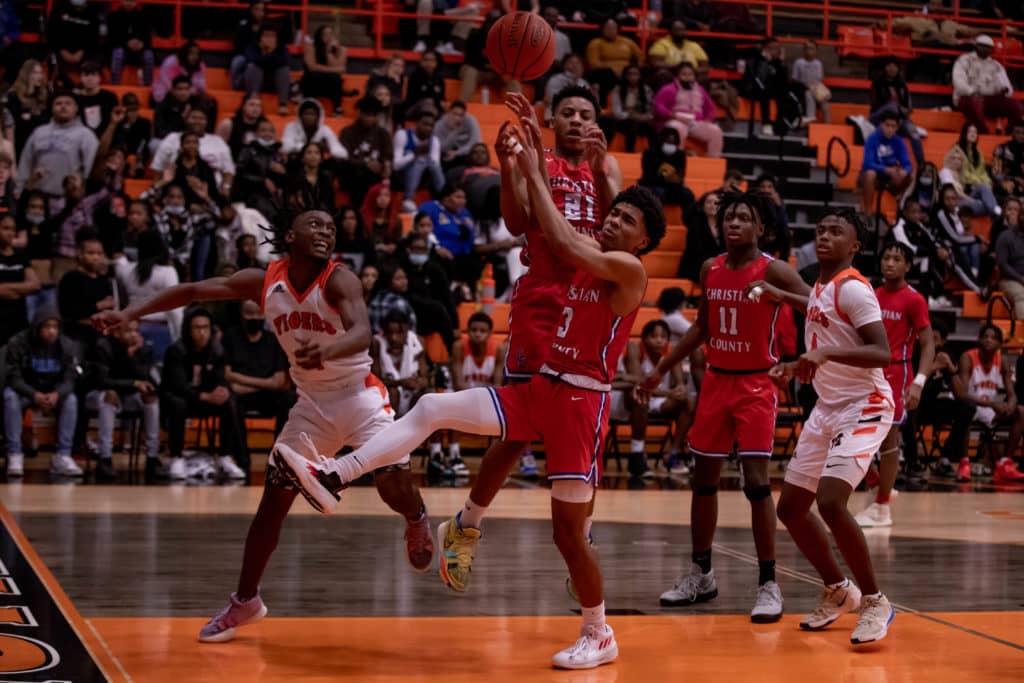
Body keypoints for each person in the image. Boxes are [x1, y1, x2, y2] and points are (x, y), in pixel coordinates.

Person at [274, 165, 664, 673]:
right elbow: (548, 232)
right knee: (432, 407)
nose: (614, 221)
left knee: (567, 535)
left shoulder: (629, 271)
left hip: (580, 405)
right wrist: (522, 168)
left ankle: (598, 630)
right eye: (614, 213)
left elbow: (565, 239)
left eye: (628, 220)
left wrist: (534, 168)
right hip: (542, 388)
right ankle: (335, 475)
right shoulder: (592, 249)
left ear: (644, 241)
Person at [92, 208, 435, 641]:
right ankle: (245, 600)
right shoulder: (264, 281)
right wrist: (130, 313)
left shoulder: (339, 279)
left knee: (393, 488)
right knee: (272, 503)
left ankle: (416, 516)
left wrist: (328, 351)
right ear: (290, 235)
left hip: (360, 396)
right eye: (315, 225)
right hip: (312, 405)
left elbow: (363, 333)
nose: (326, 232)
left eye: (331, 227)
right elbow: (194, 289)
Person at [643, 193, 809, 621]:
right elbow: (702, 327)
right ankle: (702, 574)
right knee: (703, 481)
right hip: (717, 381)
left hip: (756, 383)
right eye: (729, 216)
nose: (733, 223)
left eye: (744, 217)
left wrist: (778, 293)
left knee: (756, 484)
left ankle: (769, 583)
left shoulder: (774, 269)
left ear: (761, 229)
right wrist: (661, 369)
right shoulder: (710, 268)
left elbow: (818, 304)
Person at [771, 208, 897, 646]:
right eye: (820, 229)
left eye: (835, 231)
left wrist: (824, 355)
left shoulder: (854, 289)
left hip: (865, 404)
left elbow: (882, 352)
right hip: (827, 407)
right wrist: (797, 361)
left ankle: (876, 600)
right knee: (790, 508)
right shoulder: (822, 286)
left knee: (829, 501)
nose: (824, 236)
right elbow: (815, 308)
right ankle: (839, 589)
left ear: (854, 246)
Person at [854, 242, 934, 528]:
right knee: (849, 431)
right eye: (886, 257)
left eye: (896, 259)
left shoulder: (914, 300)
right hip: (868, 372)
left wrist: (919, 382)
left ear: (908, 266)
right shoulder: (872, 295)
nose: (889, 263)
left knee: (889, 439)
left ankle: (882, 507)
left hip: (897, 373)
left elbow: (928, 343)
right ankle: (877, 483)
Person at [4, 308, 82, 477]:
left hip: (52, 393)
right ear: (37, 327)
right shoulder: (18, 343)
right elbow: (13, 378)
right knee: (10, 396)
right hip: (26, 391)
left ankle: (63, 456)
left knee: (71, 399)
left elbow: (70, 379)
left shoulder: (67, 345)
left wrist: (57, 394)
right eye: (47, 326)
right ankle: (15, 453)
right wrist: (33, 394)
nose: (52, 331)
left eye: (55, 327)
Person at [614, 319, 692, 475]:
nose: (659, 340)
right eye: (654, 336)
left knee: (688, 402)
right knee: (640, 397)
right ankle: (636, 454)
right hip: (627, 400)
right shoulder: (635, 348)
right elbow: (638, 383)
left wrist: (680, 390)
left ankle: (673, 453)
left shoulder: (671, 352)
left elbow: (679, 386)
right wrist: (669, 393)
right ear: (644, 339)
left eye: (663, 337)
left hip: (658, 399)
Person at [88, 319, 160, 482]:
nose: (134, 335)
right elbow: (102, 381)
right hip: (98, 394)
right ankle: (105, 458)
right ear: (116, 332)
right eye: (129, 331)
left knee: (150, 397)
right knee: (110, 395)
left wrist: (132, 356)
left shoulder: (143, 349)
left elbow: (147, 380)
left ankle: (152, 457)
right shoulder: (103, 347)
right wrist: (133, 383)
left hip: (129, 396)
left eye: (136, 330)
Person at [951, 324, 1024, 482]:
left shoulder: (1002, 360)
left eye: (993, 338)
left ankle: (1005, 463)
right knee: (967, 410)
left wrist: (1011, 404)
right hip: (968, 405)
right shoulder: (967, 358)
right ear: (979, 340)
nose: (988, 340)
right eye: (985, 336)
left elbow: (1012, 393)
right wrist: (992, 405)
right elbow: (962, 394)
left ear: (1000, 344)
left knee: (1020, 411)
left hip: (988, 409)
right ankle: (964, 463)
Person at [223, 300, 293, 461]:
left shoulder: (273, 340)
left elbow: (279, 381)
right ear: (241, 315)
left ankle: (276, 454)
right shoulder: (230, 337)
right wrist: (267, 383)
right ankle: (242, 458)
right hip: (239, 398)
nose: (254, 317)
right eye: (249, 313)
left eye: (258, 313)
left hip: (263, 396)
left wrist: (241, 382)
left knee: (289, 398)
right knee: (230, 401)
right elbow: (226, 375)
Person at [446, 311, 504, 466]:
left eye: (482, 331)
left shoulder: (498, 349)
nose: (478, 334)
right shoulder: (459, 347)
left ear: (490, 333)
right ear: (468, 331)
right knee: (451, 404)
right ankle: (453, 454)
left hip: (486, 397)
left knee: (500, 409)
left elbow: (497, 385)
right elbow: (458, 384)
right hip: (462, 394)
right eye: (474, 330)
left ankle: (494, 458)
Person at [15, 93, 99, 200]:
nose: (63, 106)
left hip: (69, 198)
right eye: (58, 103)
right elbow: (26, 163)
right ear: (52, 108)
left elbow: (92, 168)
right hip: (38, 198)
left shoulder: (86, 135)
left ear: (76, 108)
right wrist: (19, 189)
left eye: (68, 103)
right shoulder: (39, 132)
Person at [952, 35, 1023, 135]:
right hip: (968, 98)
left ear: (991, 50)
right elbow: (959, 82)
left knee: (1016, 106)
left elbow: (1007, 86)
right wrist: (972, 92)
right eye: (982, 46)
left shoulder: (996, 65)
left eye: (988, 47)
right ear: (976, 46)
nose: (985, 49)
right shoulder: (964, 60)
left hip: (990, 99)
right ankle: (984, 133)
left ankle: (1010, 133)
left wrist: (1005, 90)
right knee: (975, 102)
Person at [653, 62, 723, 158]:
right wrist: (671, 115)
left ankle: (712, 161)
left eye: (690, 74)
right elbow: (658, 106)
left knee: (716, 131)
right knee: (677, 129)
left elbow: (711, 108)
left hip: (695, 122)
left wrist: (708, 119)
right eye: (684, 74)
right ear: (678, 76)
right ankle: (677, 159)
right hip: (675, 120)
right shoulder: (668, 89)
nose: (688, 77)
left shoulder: (700, 90)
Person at [340, 97, 393, 208]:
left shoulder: (383, 133)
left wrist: (387, 164)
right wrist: (365, 163)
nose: (370, 118)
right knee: (359, 174)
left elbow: (387, 154)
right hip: (353, 172)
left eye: (373, 115)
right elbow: (344, 157)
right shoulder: (347, 132)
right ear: (360, 114)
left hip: (377, 172)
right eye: (367, 115)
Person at [870, 58, 924, 166]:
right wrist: (896, 109)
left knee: (914, 133)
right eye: (889, 65)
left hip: (900, 117)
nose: (892, 68)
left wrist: (902, 115)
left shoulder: (902, 85)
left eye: (894, 66)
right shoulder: (877, 84)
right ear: (885, 68)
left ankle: (922, 165)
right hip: (879, 116)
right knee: (892, 106)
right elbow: (876, 105)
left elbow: (908, 107)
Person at [860, 112, 913, 214]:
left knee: (910, 175)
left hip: (891, 177)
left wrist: (904, 171)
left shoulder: (899, 141)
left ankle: (901, 203)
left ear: (897, 128)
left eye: (893, 126)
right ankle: (868, 212)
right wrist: (885, 169)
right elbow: (867, 163)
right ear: (881, 124)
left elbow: (908, 164)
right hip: (875, 175)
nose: (890, 129)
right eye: (887, 125)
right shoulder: (872, 138)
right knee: (870, 174)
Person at [0, 213, 39, 345]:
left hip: (18, 320)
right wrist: (21, 289)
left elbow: (35, 284)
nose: (10, 233)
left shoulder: (21, 256)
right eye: (5, 228)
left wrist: (7, 287)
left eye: (13, 229)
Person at [394, 110, 444, 213]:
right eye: (425, 124)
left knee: (430, 164)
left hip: (424, 175)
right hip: (402, 173)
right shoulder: (402, 134)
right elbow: (396, 165)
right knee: (420, 160)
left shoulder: (434, 140)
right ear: (417, 123)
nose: (428, 128)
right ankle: (408, 199)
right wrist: (414, 155)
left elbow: (435, 166)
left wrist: (425, 160)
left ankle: (444, 196)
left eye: (431, 126)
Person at [585, 18, 642, 104]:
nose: (611, 30)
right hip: (607, 74)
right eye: (608, 28)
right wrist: (614, 69)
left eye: (613, 28)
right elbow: (593, 64)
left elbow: (640, 57)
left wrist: (635, 69)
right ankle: (604, 104)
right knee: (604, 74)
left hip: (626, 72)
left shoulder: (628, 42)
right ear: (602, 29)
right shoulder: (595, 43)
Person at [602, 65, 655, 154]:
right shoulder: (617, 90)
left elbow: (651, 109)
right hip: (624, 120)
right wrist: (631, 115)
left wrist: (646, 117)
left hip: (642, 119)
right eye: (630, 74)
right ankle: (630, 153)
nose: (633, 77)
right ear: (625, 76)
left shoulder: (646, 90)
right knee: (632, 126)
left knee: (652, 128)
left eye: (635, 74)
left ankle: (652, 153)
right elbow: (617, 112)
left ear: (640, 76)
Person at [300, 25, 351, 116]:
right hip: (313, 82)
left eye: (330, 34)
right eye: (325, 34)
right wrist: (334, 70)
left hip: (329, 85)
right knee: (314, 75)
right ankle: (308, 107)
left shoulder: (342, 50)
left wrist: (329, 52)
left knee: (335, 78)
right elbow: (312, 67)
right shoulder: (311, 47)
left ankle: (338, 108)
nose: (328, 37)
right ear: (319, 36)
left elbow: (340, 70)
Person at [4, 60, 51, 158]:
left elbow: (47, 121)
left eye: (40, 73)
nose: (39, 76)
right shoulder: (13, 97)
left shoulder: (44, 96)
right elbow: (12, 123)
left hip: (42, 144)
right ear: (26, 75)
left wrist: (31, 118)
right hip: (20, 144)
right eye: (35, 73)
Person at [243, 26, 291, 116]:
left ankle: (282, 104)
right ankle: (253, 101)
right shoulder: (252, 47)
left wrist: (269, 52)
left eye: (272, 36)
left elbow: (285, 61)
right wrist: (267, 54)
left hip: (274, 83)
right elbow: (250, 59)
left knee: (284, 69)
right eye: (266, 35)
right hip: (254, 82)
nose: (269, 38)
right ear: (260, 37)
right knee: (252, 67)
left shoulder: (282, 48)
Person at [640, 126, 692, 208]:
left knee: (688, 194)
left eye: (673, 143)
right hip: (652, 184)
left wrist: (676, 179)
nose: (670, 145)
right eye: (668, 142)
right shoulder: (650, 153)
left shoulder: (680, 155)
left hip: (673, 187)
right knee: (658, 192)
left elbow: (680, 176)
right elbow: (648, 175)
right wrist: (665, 177)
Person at [282, 99, 347, 162]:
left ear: (318, 116)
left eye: (312, 114)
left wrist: (329, 149)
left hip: (317, 163)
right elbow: (286, 147)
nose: (309, 117)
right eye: (306, 114)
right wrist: (315, 146)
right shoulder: (291, 127)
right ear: (300, 116)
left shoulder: (325, 129)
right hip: (297, 162)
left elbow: (342, 152)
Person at [677, 191, 723, 280]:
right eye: (708, 202)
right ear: (703, 206)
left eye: (716, 203)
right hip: (697, 265)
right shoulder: (695, 224)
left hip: (718, 265)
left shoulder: (724, 224)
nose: (712, 205)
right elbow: (695, 250)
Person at [107, 0, 154, 86]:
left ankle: (148, 85)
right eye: (127, 0)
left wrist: (142, 44)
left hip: (140, 49)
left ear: (136, 2)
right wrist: (126, 43)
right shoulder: (113, 16)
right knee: (118, 54)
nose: (129, 3)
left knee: (148, 55)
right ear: (121, 1)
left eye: (132, 1)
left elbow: (147, 37)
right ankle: (114, 85)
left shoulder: (143, 16)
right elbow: (112, 38)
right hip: (121, 48)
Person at [434, 101, 482, 172]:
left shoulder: (471, 120)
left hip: (465, 153)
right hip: (447, 153)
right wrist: (454, 131)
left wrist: (457, 153)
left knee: (477, 153)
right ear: (449, 112)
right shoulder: (440, 125)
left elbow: (476, 143)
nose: (457, 118)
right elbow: (440, 147)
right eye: (454, 114)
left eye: (461, 115)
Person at [996, 198, 1024, 319]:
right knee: (1022, 295)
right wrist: (1021, 278)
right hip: (1009, 280)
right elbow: (1003, 264)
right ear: (1020, 217)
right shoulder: (1006, 236)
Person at [791, 39, 829, 125]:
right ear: (804, 50)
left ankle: (827, 124)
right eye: (807, 48)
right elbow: (794, 79)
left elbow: (819, 79)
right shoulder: (798, 62)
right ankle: (810, 117)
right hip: (802, 87)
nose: (809, 50)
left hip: (815, 87)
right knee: (808, 94)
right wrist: (806, 85)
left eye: (812, 48)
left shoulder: (818, 64)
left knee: (824, 100)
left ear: (816, 50)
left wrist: (815, 88)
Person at [405, 49, 446, 116]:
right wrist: (435, 100)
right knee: (428, 102)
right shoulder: (416, 75)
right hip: (413, 107)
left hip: (433, 108)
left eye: (432, 60)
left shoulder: (439, 78)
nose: (429, 63)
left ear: (437, 62)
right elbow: (416, 97)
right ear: (421, 62)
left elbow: (442, 98)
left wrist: (442, 103)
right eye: (426, 60)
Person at [992, 119, 1024, 198]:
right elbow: (996, 174)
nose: (1021, 135)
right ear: (1012, 133)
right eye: (1018, 132)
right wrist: (1015, 179)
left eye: (1023, 133)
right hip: (1006, 183)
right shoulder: (1001, 149)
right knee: (1009, 186)